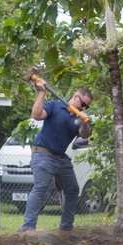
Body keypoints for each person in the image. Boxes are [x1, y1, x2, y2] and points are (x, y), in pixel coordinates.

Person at [18, 79, 92, 235]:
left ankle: (66, 228)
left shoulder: (79, 119)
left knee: (72, 189)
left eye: (87, 106)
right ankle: (27, 228)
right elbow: (36, 115)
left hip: (61, 158)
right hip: (43, 154)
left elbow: (85, 134)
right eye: (82, 104)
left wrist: (84, 123)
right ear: (75, 96)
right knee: (41, 188)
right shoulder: (54, 106)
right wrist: (42, 92)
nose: (83, 107)